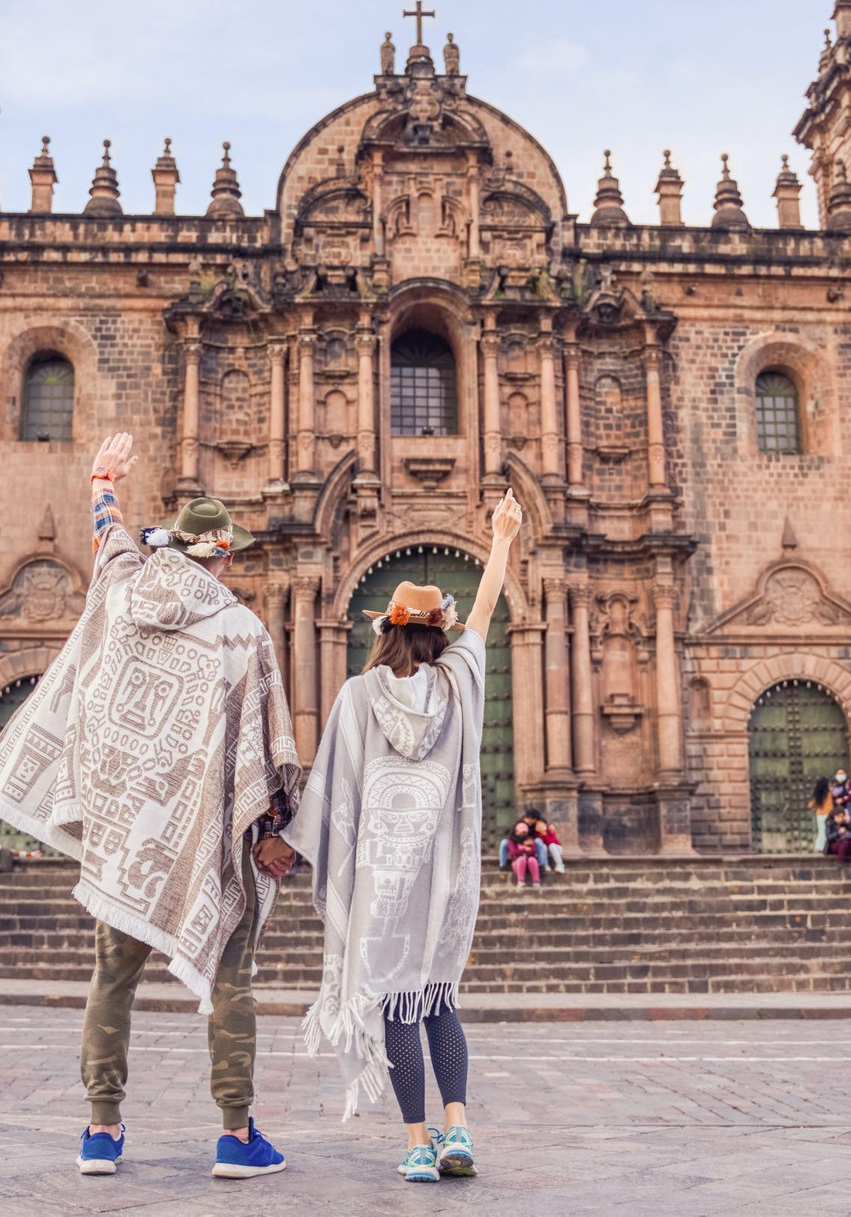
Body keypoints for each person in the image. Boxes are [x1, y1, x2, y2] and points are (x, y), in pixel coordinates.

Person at [0, 433, 301, 1182]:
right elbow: (267, 746)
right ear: (227, 557)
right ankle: (236, 1136)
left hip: (124, 839)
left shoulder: (121, 591)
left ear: (174, 548)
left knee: (112, 978)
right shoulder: (242, 630)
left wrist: (103, 479)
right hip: (209, 841)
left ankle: (100, 1130)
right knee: (231, 979)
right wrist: (274, 830)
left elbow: (109, 535)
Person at [283, 489, 524, 1185]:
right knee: (440, 999)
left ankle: (418, 1142)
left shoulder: (359, 697)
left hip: (381, 884)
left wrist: (288, 846)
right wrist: (501, 536)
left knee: (396, 1004)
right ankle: (461, 1130)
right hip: (446, 880)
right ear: (435, 635)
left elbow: (331, 788)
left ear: (385, 634)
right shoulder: (458, 683)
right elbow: (485, 610)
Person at [506, 821, 543, 887]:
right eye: (521, 832)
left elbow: (533, 851)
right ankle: (521, 881)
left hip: (529, 864)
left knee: (532, 859)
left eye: (525, 832)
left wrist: (526, 849)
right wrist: (524, 849)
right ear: (516, 832)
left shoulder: (529, 840)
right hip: (518, 864)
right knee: (521, 859)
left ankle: (536, 881)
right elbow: (513, 852)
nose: (523, 834)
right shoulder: (511, 841)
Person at [808, 777, 833, 854]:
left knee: (821, 831)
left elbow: (810, 805)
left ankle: (819, 847)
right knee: (826, 831)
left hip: (819, 815)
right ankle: (824, 847)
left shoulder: (818, 795)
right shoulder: (830, 794)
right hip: (828, 815)